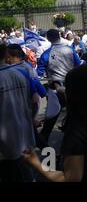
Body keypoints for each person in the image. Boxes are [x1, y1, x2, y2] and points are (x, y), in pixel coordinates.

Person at [0, 43, 36, 182]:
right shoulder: (20, 74)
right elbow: (34, 101)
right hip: (23, 135)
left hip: (5, 144)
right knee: (25, 172)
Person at [37, 29, 81, 142]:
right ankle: (74, 137)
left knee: (52, 113)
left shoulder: (46, 54)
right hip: (72, 84)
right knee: (74, 111)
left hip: (55, 87)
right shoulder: (70, 50)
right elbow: (78, 64)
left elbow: (40, 72)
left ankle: (44, 137)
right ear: (59, 36)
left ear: (48, 38)